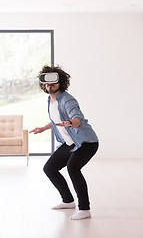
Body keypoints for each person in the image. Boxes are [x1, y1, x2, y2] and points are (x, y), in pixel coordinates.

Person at [30, 65, 99, 220]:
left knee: (73, 168)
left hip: (86, 143)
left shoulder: (67, 100)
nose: (50, 85)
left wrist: (71, 122)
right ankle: (67, 200)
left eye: (53, 82)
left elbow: (77, 118)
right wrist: (43, 128)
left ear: (60, 82)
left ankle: (85, 209)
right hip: (70, 144)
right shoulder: (51, 100)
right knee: (50, 168)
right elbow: (55, 120)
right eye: (47, 83)